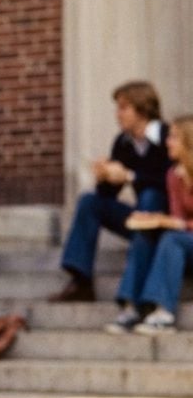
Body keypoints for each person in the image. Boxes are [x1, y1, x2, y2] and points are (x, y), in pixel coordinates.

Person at [51, 81, 171, 302]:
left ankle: (133, 291)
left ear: (142, 108)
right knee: (90, 201)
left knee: (150, 196)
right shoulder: (123, 142)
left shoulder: (167, 136)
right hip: (141, 218)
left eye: (124, 108)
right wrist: (104, 177)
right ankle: (81, 280)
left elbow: (171, 182)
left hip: (169, 219)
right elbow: (108, 195)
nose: (117, 114)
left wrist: (130, 176)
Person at [104, 115, 193, 334]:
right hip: (187, 242)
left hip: (186, 239)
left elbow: (180, 224)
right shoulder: (173, 175)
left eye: (173, 137)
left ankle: (164, 313)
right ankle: (132, 308)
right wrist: (156, 220)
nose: (167, 142)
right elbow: (178, 217)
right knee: (147, 234)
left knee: (172, 239)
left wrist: (172, 223)